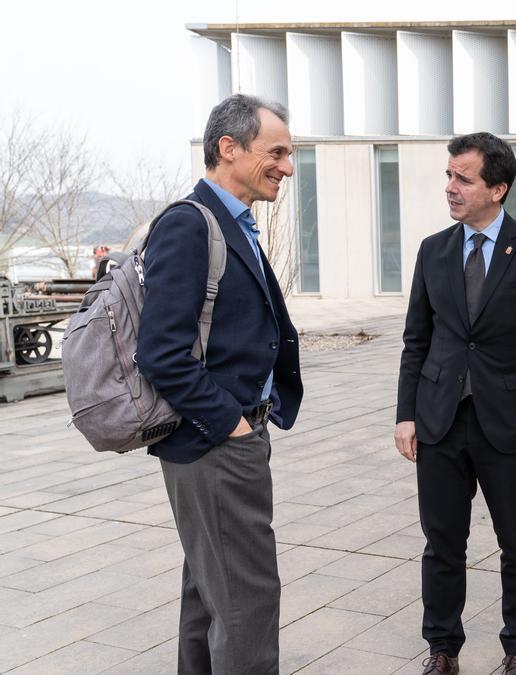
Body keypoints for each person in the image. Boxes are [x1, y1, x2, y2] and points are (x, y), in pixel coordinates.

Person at [395, 132, 516, 675]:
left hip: (511, 426)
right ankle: (442, 648)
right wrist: (406, 414)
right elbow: (416, 339)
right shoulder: (434, 250)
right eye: (449, 175)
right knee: (442, 543)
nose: (450, 187)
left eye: (463, 178)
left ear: (497, 188)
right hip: (440, 422)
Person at [137, 93, 303, 674]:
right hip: (215, 442)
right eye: (275, 152)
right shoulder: (190, 225)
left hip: (223, 438)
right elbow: (159, 352)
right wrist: (231, 425)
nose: (286, 165)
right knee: (248, 601)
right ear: (228, 149)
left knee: (210, 597)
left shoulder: (236, 224)